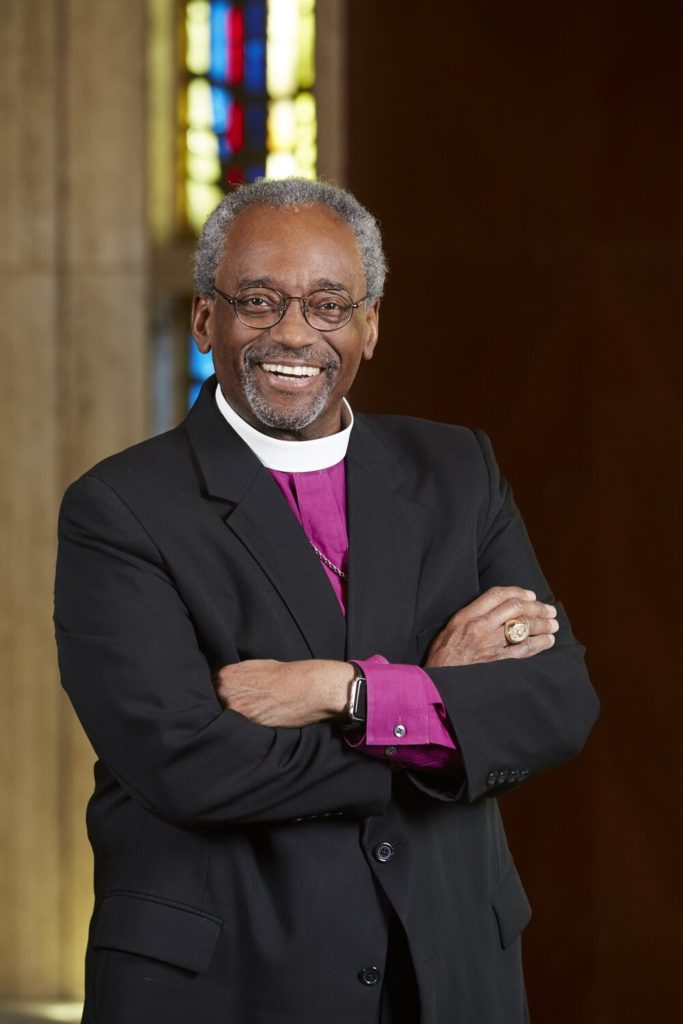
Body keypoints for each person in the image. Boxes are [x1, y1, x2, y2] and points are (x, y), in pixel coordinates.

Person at [54, 178, 598, 1024]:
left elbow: (555, 702)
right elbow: (187, 764)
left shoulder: (458, 472)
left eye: (328, 305)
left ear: (369, 325)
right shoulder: (121, 508)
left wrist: (342, 693)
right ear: (207, 320)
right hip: (232, 980)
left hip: (448, 969)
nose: (294, 334)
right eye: (259, 302)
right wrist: (436, 703)